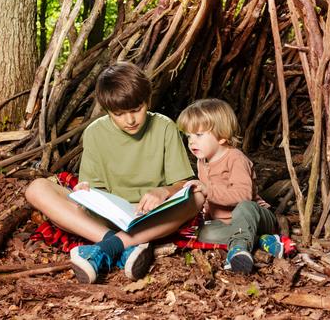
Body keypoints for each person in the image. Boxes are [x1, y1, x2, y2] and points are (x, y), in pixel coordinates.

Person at [25, 62, 204, 284]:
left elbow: (183, 184)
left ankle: (106, 248)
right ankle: (120, 245)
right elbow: (94, 187)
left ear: (147, 100)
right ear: (107, 110)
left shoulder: (164, 127)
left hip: (152, 216)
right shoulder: (95, 132)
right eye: (119, 114)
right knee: (36, 189)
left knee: (197, 195)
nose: (130, 120)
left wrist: (164, 191)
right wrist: (84, 192)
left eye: (136, 110)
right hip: (109, 217)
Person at [176, 98, 287, 274]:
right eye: (188, 136)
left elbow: (243, 196)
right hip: (229, 225)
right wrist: (203, 214)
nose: (191, 142)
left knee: (244, 208)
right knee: (204, 233)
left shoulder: (235, 158)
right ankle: (261, 241)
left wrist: (207, 190)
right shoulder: (201, 162)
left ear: (222, 136)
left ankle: (239, 251)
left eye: (198, 135)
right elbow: (208, 201)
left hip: (256, 217)